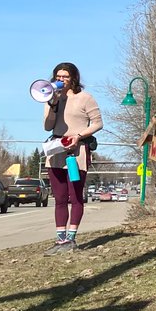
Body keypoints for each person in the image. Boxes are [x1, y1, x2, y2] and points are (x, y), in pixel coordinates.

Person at [42, 63, 103, 254]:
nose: (61, 80)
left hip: (76, 152)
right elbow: (47, 126)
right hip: (57, 150)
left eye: (65, 76)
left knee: (75, 195)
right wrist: (53, 104)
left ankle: (71, 238)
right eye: (58, 76)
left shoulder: (85, 98)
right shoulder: (50, 98)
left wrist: (79, 136)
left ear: (73, 78)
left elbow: (98, 123)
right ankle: (60, 239)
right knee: (59, 197)